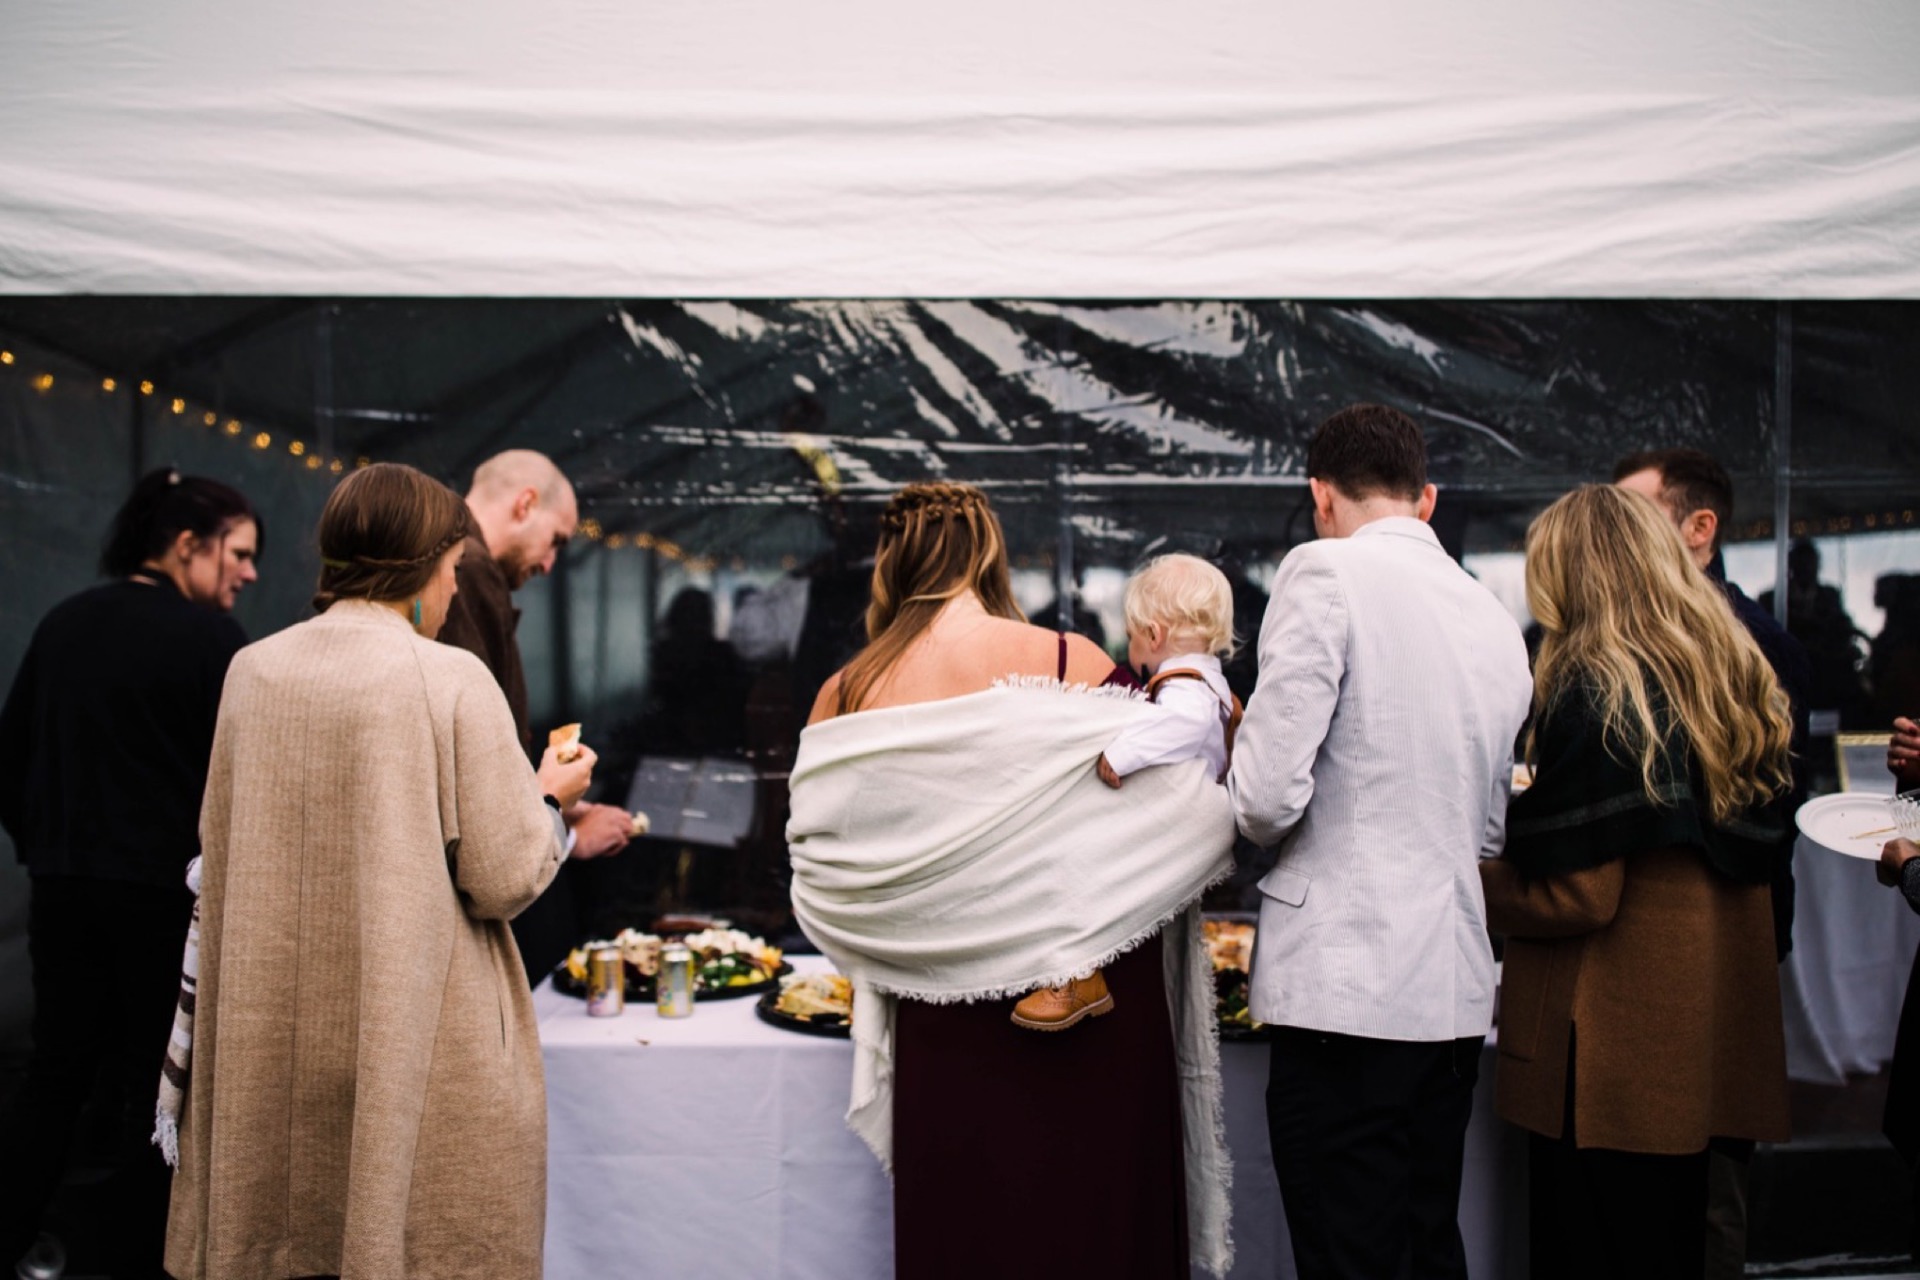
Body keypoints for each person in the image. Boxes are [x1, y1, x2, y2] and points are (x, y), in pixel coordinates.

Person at [788, 481, 1237, 1279]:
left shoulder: (845, 692)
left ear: (888, 562)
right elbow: (1177, 808)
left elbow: (822, 865)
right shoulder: (1069, 660)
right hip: (1092, 1012)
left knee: (971, 1226)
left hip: (941, 1007)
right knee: (1092, 1225)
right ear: (990, 555)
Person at [163, 463, 595, 1280]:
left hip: (274, 1030)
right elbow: (504, 875)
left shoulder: (252, 672)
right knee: (407, 1235)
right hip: (412, 1027)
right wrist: (548, 793)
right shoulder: (449, 676)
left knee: (289, 1236)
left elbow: (220, 839)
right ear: (428, 564)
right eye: (447, 565)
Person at [1229, 403, 1532, 1280]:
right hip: (1450, 988)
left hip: (1345, 985)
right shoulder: (1490, 617)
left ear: (1320, 495)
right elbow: (1486, 827)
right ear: (1426, 499)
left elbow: (1264, 800)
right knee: (1426, 1241)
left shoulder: (1324, 571)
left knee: (1348, 1252)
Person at [1480, 484, 1793, 1280]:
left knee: (1591, 1252)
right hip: (1706, 1028)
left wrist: (1474, 881)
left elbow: (1580, 893)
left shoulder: (1601, 687)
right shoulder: (1730, 670)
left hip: (1611, 1050)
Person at [0, 467, 260, 1280]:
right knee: (166, 1089)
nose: (249, 573)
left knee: (58, 1073)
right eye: (239, 553)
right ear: (188, 545)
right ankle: (153, 1259)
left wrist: (50, 852)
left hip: (65, 892)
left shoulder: (63, 623)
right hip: (166, 908)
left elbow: (10, 761)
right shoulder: (217, 646)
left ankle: (10, 1240)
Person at [1612, 447, 1811, 1279]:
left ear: (1701, 529)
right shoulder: (1613, 637)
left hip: (1722, 940)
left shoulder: (1755, 647)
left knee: (1706, 1180)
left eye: (1636, 514)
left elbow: (1757, 817)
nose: (1615, 535)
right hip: (1628, 948)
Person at [1012, 553, 1241, 1032]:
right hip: (1185, 832)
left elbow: (1184, 723)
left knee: (1093, 872)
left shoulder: (1186, 689)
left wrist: (1121, 753)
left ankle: (1079, 975)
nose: (1130, 649)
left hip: (1174, 831)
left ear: (1154, 635)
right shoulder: (1212, 682)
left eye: (1133, 635)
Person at [438, 448, 632, 985]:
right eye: (557, 542)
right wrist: (551, 820)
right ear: (526, 504)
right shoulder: (468, 567)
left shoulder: (461, 559)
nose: (550, 565)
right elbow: (475, 752)